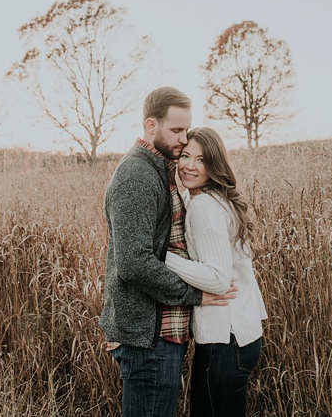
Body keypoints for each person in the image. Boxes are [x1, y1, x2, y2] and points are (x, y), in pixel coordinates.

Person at [100, 87, 236, 417]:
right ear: (151, 126)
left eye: (186, 130)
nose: (182, 139)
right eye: (176, 130)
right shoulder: (137, 174)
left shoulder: (160, 169)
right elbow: (133, 262)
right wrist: (195, 294)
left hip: (162, 335)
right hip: (150, 339)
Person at [164, 126, 267, 417]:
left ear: (215, 164)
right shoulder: (216, 199)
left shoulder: (204, 206)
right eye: (185, 156)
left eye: (201, 159)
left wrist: (163, 259)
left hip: (225, 337)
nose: (190, 166)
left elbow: (218, 279)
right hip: (243, 336)